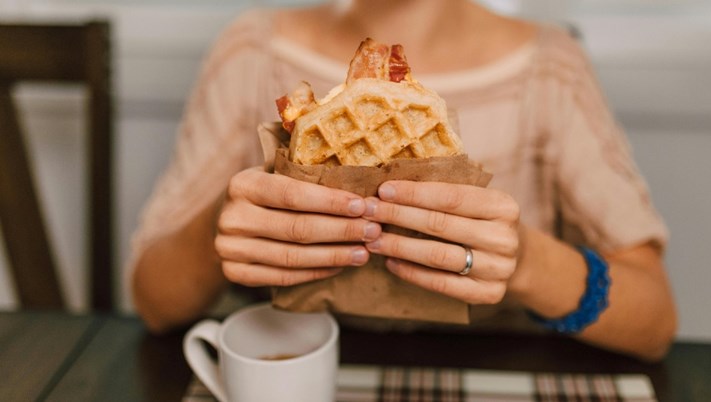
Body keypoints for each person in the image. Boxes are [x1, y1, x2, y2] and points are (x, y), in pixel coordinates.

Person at [129, 0, 677, 361]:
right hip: (292, 364)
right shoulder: (251, 51)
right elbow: (152, 299)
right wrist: (217, 233)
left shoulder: (552, 68)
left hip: (494, 370)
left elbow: (654, 321)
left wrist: (528, 263)